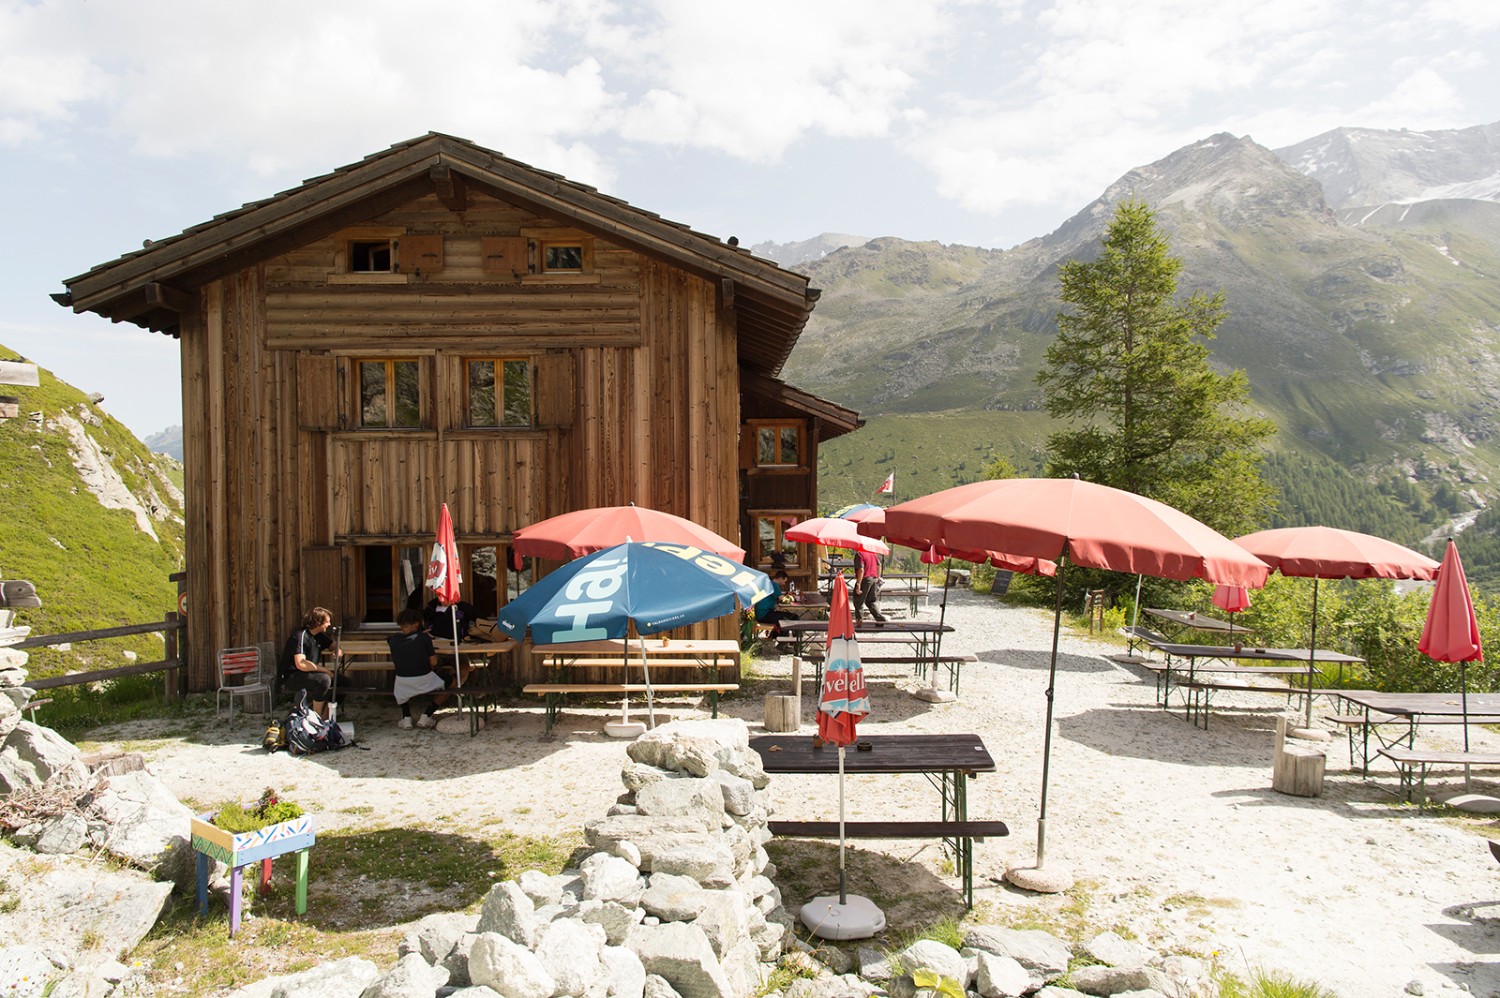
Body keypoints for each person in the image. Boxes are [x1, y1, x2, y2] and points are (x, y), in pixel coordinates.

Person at [387, 607, 455, 729]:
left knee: (402, 682)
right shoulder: (423, 638)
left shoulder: (393, 640)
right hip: (425, 680)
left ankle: (406, 717)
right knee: (452, 681)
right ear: (417, 623)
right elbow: (433, 662)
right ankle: (427, 715)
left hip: (402, 683)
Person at [281, 607, 339, 720]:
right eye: (327, 621)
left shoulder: (319, 636)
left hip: (309, 674)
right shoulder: (300, 636)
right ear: (318, 622)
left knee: (342, 681)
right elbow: (301, 664)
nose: (329, 624)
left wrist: (337, 650)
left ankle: (326, 714)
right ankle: (316, 718)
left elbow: (333, 644)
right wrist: (325, 670)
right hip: (292, 676)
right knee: (324, 679)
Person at [853, 548, 887, 625]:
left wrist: (858, 583)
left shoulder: (859, 554)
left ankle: (859, 621)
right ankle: (880, 619)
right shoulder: (872, 554)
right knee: (871, 601)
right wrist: (877, 578)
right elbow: (879, 565)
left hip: (865, 579)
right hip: (874, 579)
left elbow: (861, 570)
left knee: (858, 600)